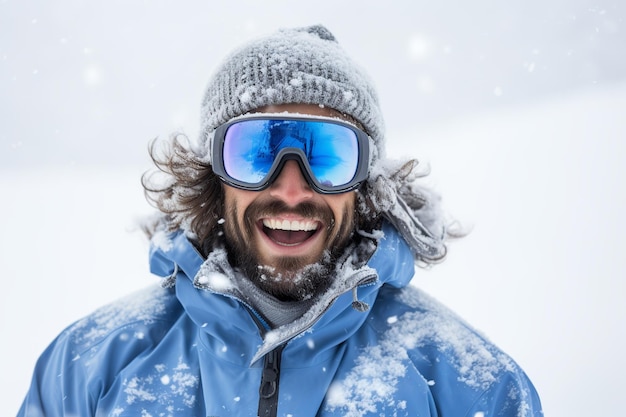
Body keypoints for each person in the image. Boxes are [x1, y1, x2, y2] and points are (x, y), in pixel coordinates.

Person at [18, 25, 542, 417]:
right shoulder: (89, 368)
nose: (291, 188)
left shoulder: (471, 387)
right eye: (254, 150)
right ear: (212, 174)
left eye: (329, 153)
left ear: (364, 183)